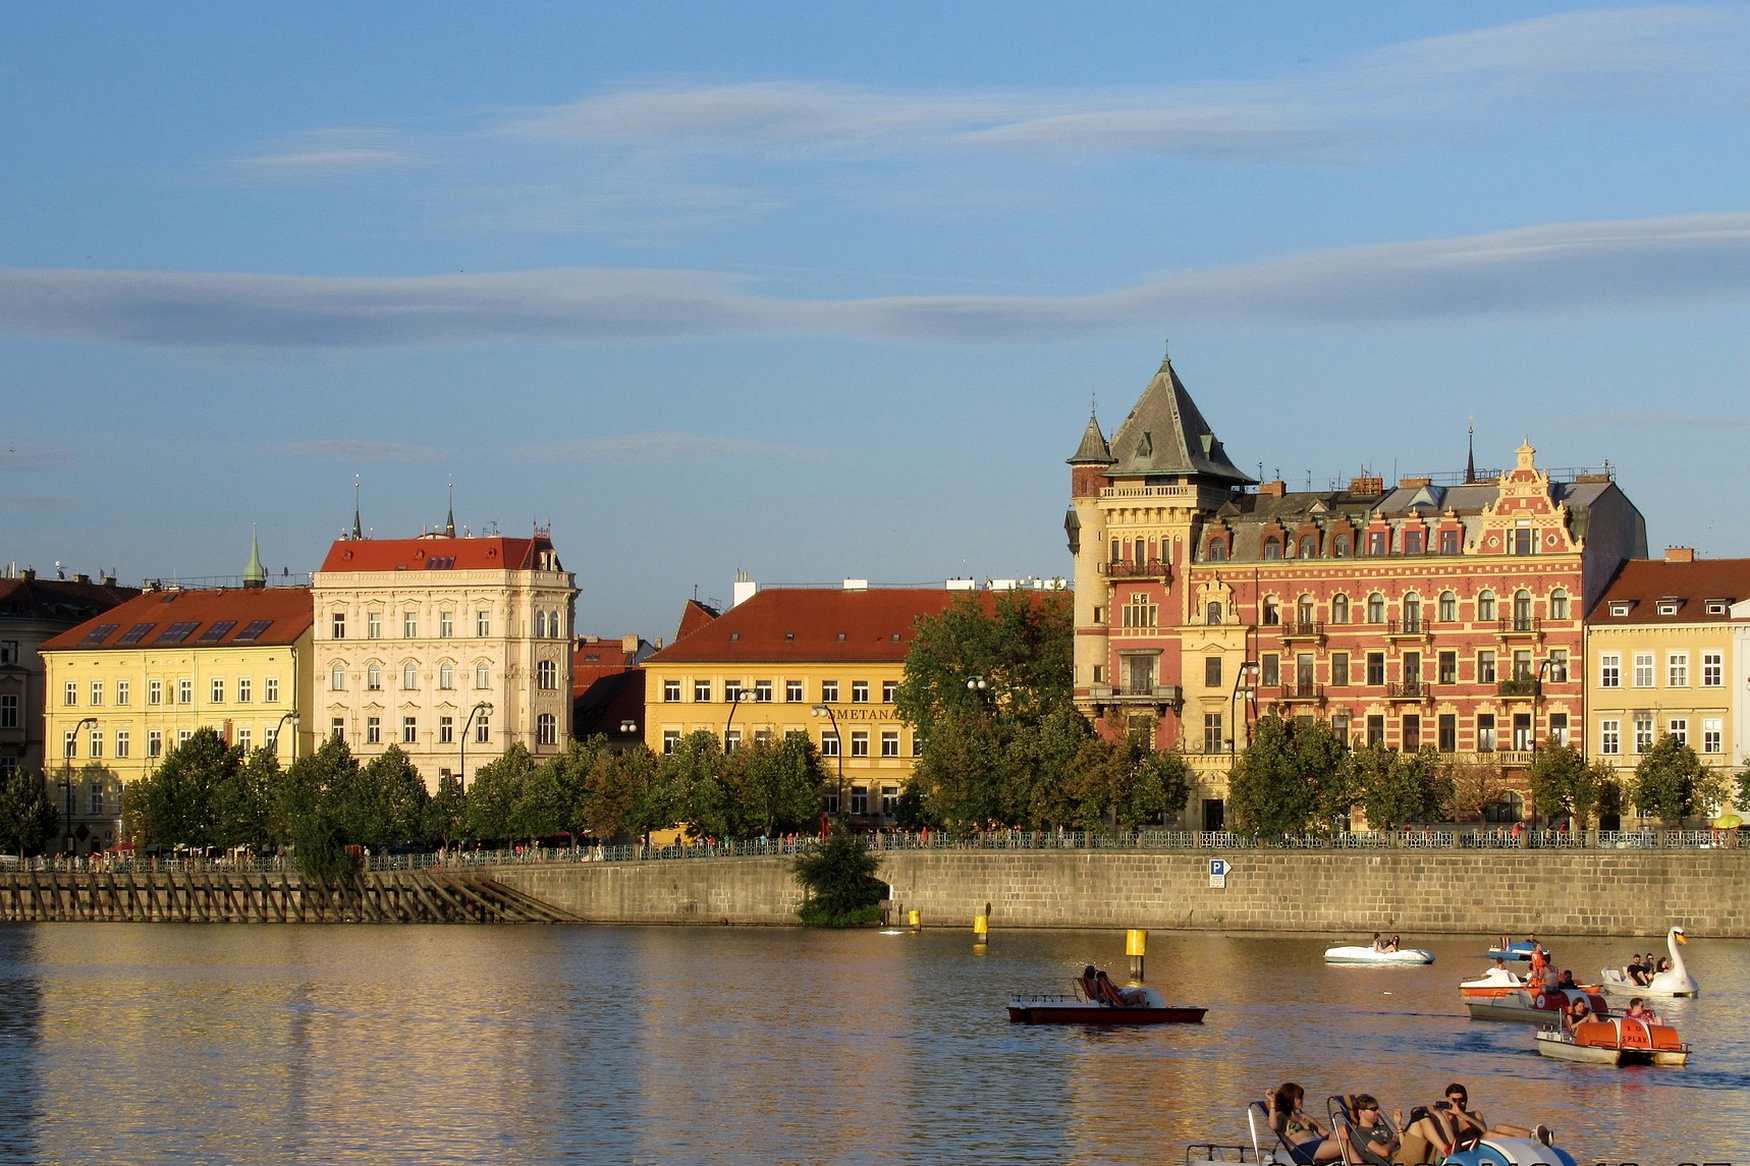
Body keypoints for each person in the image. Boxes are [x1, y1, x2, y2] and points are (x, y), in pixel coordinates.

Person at [1437, 1083, 1551, 1146]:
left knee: (1498, 1127)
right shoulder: (1445, 1117)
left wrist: (1462, 1115)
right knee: (1489, 1135)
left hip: (1482, 1143)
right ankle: (1527, 1144)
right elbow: (1450, 1140)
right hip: (1466, 1148)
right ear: (1448, 1099)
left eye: (1461, 1100)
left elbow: (1483, 1129)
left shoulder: (1474, 1114)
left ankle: (1534, 1136)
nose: (1458, 1104)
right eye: (1454, 1100)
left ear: (1467, 1099)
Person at [1267, 1083, 1341, 1165]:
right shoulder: (1282, 1116)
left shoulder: (1303, 1116)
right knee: (1345, 1145)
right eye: (1299, 1097)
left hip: (1316, 1145)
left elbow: (1325, 1133)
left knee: (1344, 1131)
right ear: (1290, 1098)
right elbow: (1273, 1125)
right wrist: (1272, 1102)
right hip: (1303, 1151)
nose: (1302, 1100)